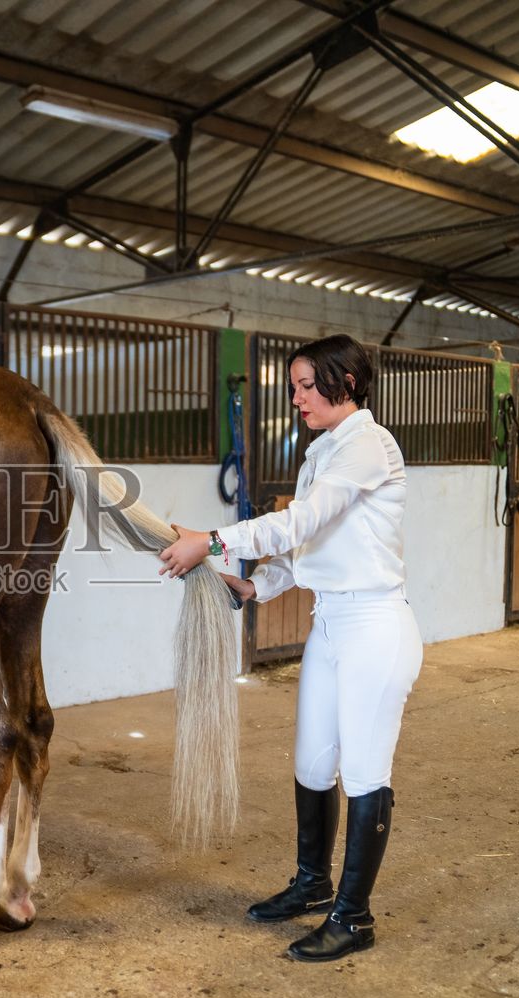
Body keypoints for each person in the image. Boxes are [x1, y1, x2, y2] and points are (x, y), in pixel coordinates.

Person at [158, 333, 423, 963]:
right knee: (311, 764)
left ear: (347, 383)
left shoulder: (367, 444)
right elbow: (307, 553)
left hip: (375, 629)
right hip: (330, 625)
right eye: (295, 387)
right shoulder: (320, 454)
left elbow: (299, 523)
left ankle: (354, 918)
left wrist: (212, 540)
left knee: (363, 774)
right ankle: (314, 884)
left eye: (308, 385)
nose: (298, 398)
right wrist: (252, 584)